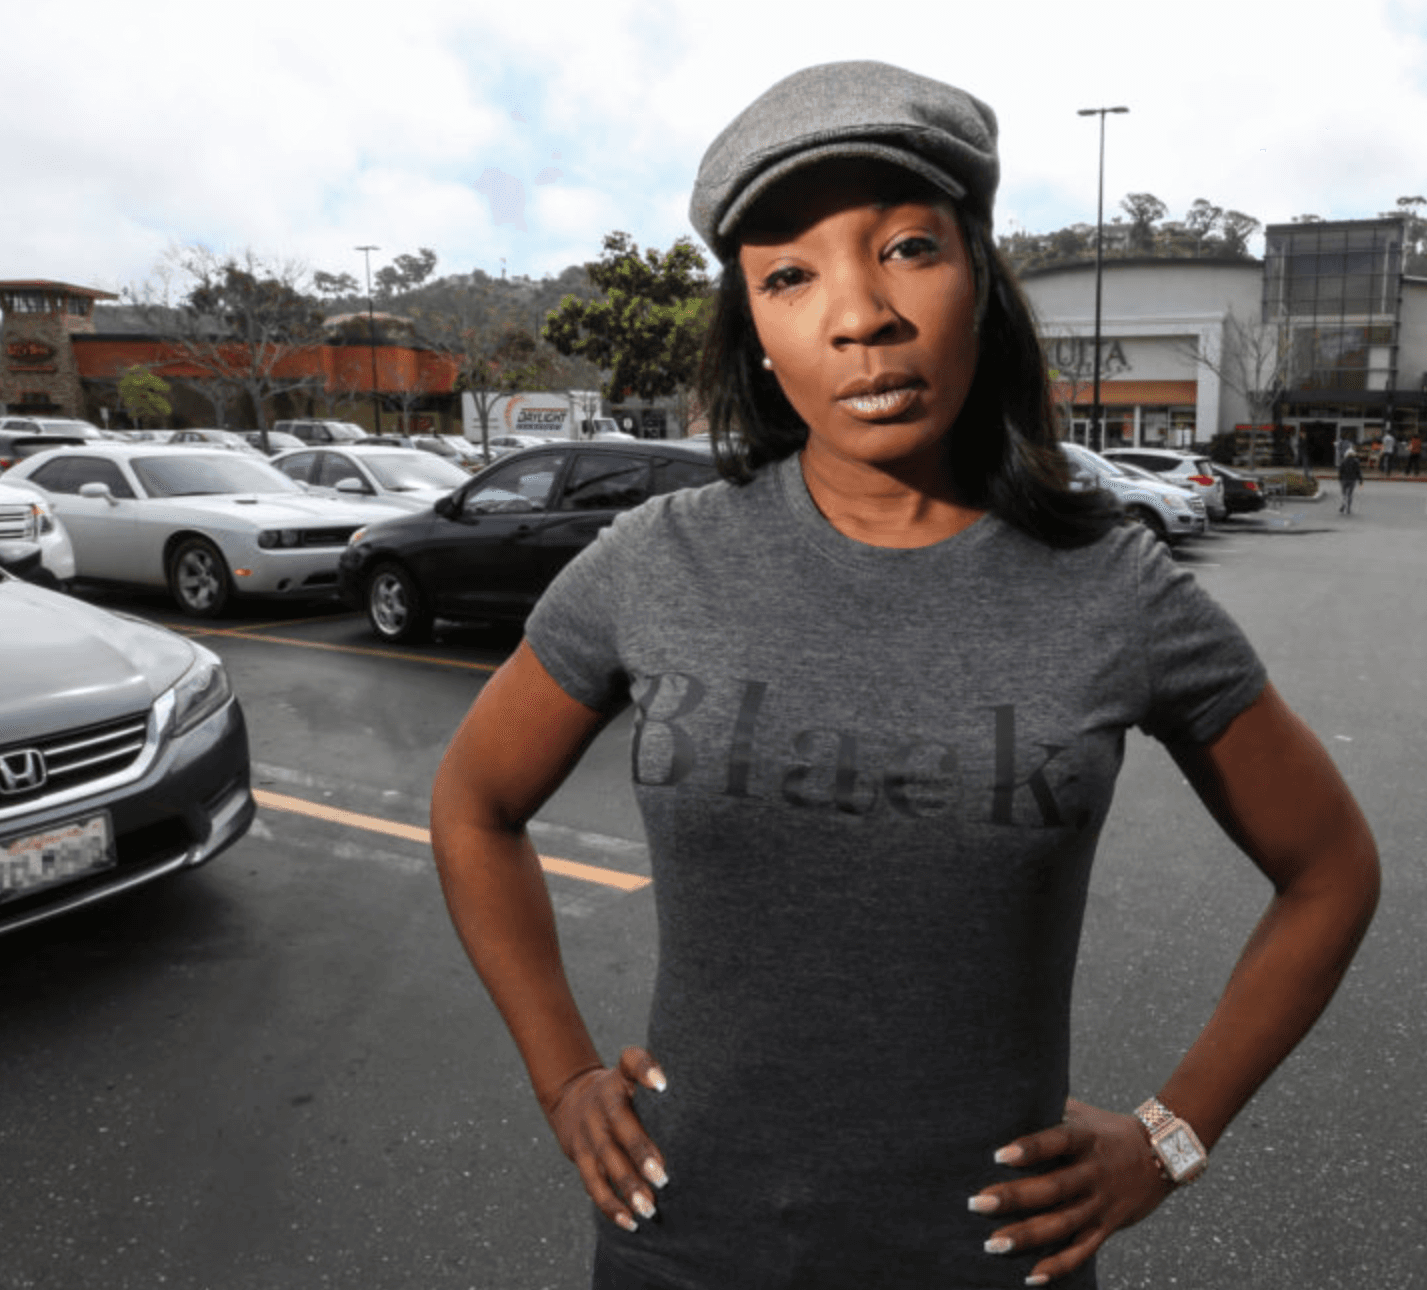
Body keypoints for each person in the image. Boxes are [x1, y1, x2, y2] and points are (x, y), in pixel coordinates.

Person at [429, 60, 1378, 1290]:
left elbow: (1329, 869)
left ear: (980, 282)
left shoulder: (1114, 589)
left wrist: (1169, 1136)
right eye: (789, 275)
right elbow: (473, 804)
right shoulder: (655, 563)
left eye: (908, 248)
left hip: (988, 1261)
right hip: (686, 1248)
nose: (858, 313)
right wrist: (561, 1077)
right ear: (757, 336)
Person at [1338, 446, 1365, 514]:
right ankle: (1348, 508)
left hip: (1344, 480)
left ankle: (1343, 505)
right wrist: (1360, 480)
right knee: (1350, 494)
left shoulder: (1343, 462)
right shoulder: (1356, 462)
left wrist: (1340, 478)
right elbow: (1358, 472)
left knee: (1344, 494)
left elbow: (1340, 471)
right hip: (1352, 480)